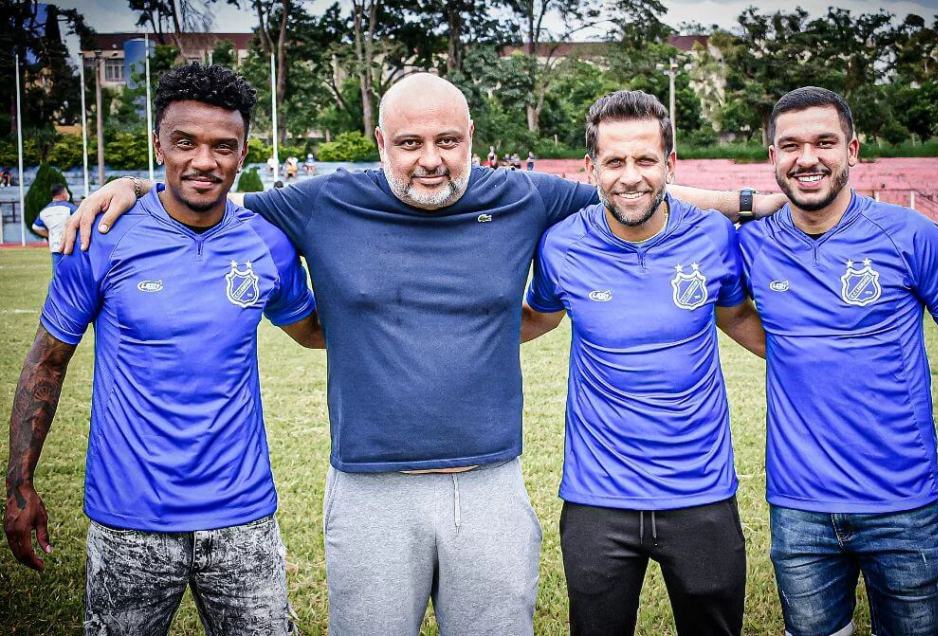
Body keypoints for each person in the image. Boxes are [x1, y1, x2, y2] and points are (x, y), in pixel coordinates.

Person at [62, 72, 784, 636]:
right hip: (369, 490)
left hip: (490, 484)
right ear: (380, 141)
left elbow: (634, 188)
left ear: (472, 138)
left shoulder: (522, 197)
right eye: (410, 143)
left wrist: (759, 200)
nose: (430, 160)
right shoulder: (322, 202)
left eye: (447, 141)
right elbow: (209, 193)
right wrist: (133, 186)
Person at [5, 63, 323, 635]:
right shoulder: (100, 237)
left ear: (243, 153)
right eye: (185, 142)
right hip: (129, 522)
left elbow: (314, 331)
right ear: (158, 145)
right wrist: (19, 484)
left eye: (223, 146)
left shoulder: (266, 243)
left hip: (243, 518)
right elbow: (46, 362)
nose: (204, 161)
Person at [737, 86, 938, 636]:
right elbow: (657, 197)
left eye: (824, 142)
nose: (807, 158)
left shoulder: (909, 234)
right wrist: (749, 204)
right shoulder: (751, 244)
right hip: (799, 508)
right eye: (790, 146)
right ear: (772, 157)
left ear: (853, 150)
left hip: (902, 503)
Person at [522, 91, 764, 636]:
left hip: (702, 493)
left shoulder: (714, 237)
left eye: (645, 160)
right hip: (596, 499)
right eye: (614, 161)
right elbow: (537, 318)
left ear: (670, 164)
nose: (630, 177)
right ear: (590, 168)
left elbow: (738, 319)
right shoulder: (560, 247)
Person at [31, 183, 76, 273]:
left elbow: (35, 227)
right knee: (72, 273)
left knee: (57, 274)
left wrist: (49, 234)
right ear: (63, 193)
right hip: (71, 246)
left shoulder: (45, 211)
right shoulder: (69, 208)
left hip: (55, 245)